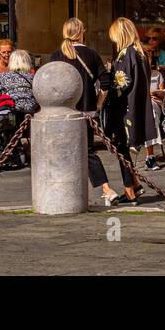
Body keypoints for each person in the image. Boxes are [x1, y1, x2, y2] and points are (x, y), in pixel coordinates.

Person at [47, 18, 132, 205]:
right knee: (87, 150)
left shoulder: (56, 55)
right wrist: (98, 104)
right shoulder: (91, 54)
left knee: (64, 151)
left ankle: (100, 189)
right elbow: (106, 83)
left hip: (64, 110)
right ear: (81, 33)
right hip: (87, 110)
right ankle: (105, 189)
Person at [103, 17, 161, 202]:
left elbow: (122, 83)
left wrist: (107, 83)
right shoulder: (141, 52)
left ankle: (130, 190)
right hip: (135, 105)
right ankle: (134, 184)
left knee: (121, 148)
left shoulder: (126, 53)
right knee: (123, 149)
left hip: (124, 108)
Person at [0, 50, 39, 115]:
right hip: (30, 108)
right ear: (27, 62)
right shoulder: (33, 77)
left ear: (11, 62)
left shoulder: (4, 77)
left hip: (12, 108)